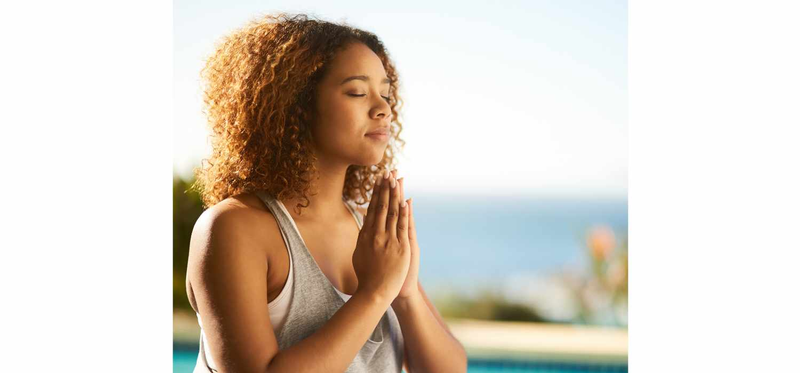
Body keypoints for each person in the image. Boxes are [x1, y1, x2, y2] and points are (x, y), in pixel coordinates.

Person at [185, 13, 467, 372]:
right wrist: (374, 293)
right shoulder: (234, 228)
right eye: (357, 92)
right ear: (295, 105)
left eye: (385, 94)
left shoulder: (371, 230)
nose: (383, 109)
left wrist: (405, 293)